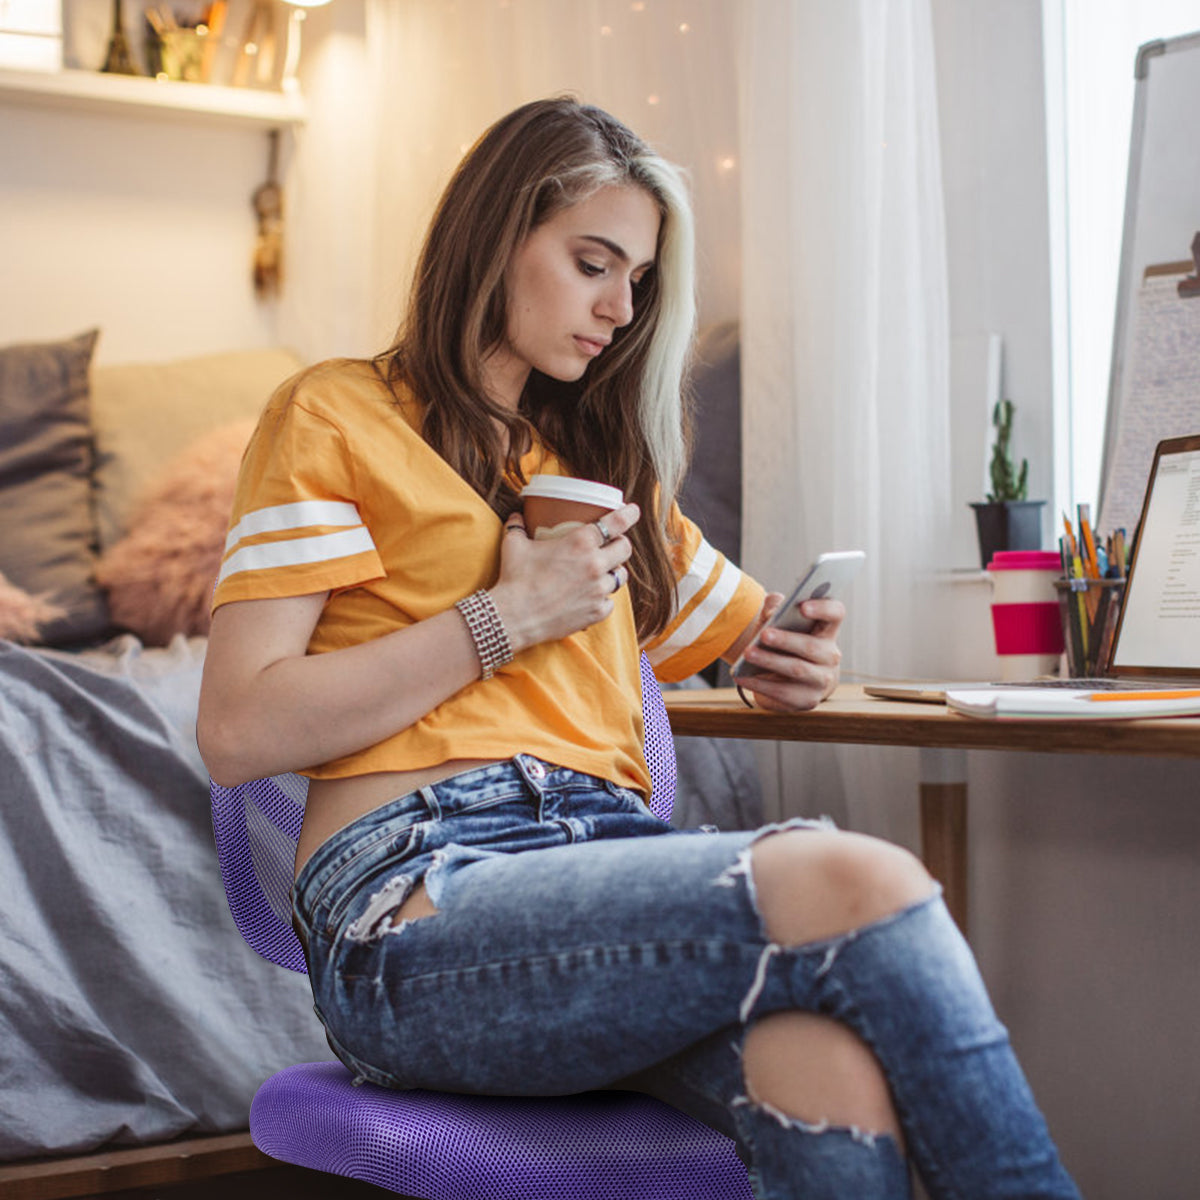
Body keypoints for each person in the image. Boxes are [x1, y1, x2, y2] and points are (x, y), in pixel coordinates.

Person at [198, 98, 1080, 1200]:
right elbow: (238, 732)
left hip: (596, 876)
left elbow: (756, 636)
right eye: (591, 263)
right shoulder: (338, 416)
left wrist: (786, 657)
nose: (619, 309)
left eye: (639, 281)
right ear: (494, 237)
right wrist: (502, 620)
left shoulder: (602, 477)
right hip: (411, 909)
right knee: (855, 876)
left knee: (830, 1068)